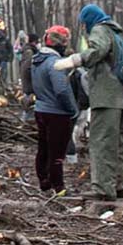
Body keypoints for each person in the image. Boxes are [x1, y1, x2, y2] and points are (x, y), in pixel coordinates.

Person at [53, 4, 123, 201]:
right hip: (122, 97)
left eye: (83, 22)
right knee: (120, 146)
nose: (83, 27)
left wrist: (76, 59)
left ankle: (103, 189)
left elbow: (98, 49)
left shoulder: (99, 29)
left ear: (89, 19)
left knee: (101, 143)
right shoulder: (115, 33)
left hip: (106, 97)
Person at [30, 26, 78, 196]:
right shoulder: (55, 63)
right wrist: (72, 109)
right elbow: (61, 90)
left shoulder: (37, 60)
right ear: (61, 43)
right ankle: (59, 188)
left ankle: (44, 182)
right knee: (57, 153)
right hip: (57, 113)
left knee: (43, 148)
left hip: (41, 110)